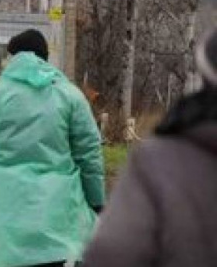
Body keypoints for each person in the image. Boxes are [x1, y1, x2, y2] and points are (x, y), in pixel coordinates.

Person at [0, 29, 104, 267]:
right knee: (51, 258)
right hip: (57, 205)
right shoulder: (71, 97)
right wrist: (96, 200)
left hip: (5, 205)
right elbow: (89, 153)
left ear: (13, 57)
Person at [83, 28, 217, 267]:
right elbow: (87, 149)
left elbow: (112, 253)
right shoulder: (70, 98)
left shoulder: (160, 161)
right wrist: (95, 195)